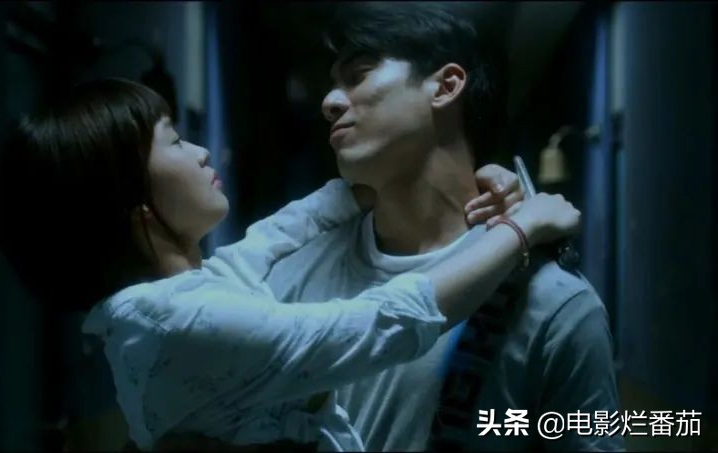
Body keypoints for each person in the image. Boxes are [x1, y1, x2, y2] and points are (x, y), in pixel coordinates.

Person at [0, 78, 584, 451]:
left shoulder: (185, 294)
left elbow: (287, 227)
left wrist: (466, 185)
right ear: (137, 207)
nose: (201, 152)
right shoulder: (180, 322)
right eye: (173, 142)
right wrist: (519, 228)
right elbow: (381, 323)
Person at [264, 3, 622, 451]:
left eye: (358, 75)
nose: (329, 102)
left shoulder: (554, 302)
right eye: (333, 84)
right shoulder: (294, 268)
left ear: (446, 85)